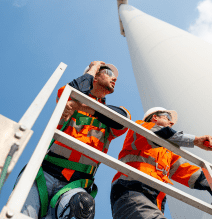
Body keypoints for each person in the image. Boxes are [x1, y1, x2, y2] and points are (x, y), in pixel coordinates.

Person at [18, 61, 131, 219]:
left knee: (83, 205)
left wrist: (80, 107)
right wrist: (92, 69)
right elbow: (68, 93)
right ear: (95, 78)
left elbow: (123, 119)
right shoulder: (69, 97)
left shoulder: (110, 116)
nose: (115, 79)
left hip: (75, 184)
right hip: (43, 175)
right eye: (109, 73)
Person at [110, 107, 212, 219]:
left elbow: (195, 177)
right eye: (167, 117)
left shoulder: (168, 154)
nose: (172, 122)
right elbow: (161, 133)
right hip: (131, 191)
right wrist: (196, 140)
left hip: (154, 201)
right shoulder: (140, 127)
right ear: (154, 118)